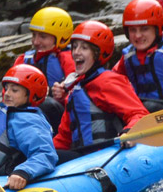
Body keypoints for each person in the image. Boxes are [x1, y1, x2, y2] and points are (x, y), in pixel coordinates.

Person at [53, 21, 150, 163]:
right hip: (83, 159)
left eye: (84, 48)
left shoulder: (108, 81)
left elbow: (139, 114)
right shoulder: (76, 90)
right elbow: (64, 138)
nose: (76, 52)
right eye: (74, 47)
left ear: (98, 53)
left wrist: (130, 132)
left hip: (107, 155)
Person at [13, 7, 75, 134]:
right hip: (26, 117)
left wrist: (63, 94)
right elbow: (7, 90)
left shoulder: (68, 58)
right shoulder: (23, 60)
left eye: (43, 37)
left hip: (58, 118)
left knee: (46, 104)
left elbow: (79, 92)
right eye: (34, 35)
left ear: (61, 38)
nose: (36, 42)